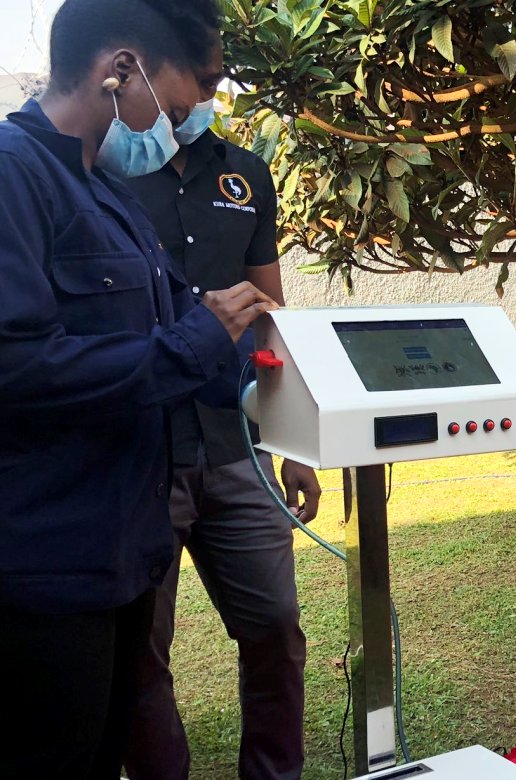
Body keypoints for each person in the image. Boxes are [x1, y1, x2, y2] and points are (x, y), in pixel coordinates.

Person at [0, 0, 278, 777]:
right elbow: (16, 366)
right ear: (119, 71)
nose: (181, 128)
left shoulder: (110, 194)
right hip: (48, 569)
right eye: (179, 107)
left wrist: (267, 382)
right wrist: (196, 337)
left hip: (126, 552)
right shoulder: (12, 178)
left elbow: (169, 339)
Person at [123, 39, 321, 780]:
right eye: (197, 80)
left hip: (238, 447)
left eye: (215, 82)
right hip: (142, 456)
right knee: (141, 648)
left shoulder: (246, 174)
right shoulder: (103, 174)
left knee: (275, 627)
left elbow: (273, 315)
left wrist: (294, 438)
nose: (206, 95)